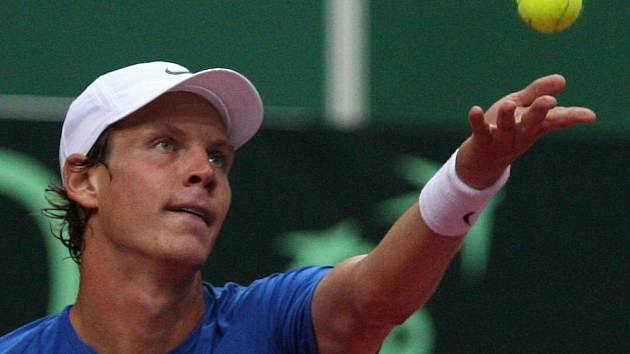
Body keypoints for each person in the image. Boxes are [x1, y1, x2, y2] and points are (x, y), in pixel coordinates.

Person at [0, 61, 595, 354]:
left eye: (219, 157)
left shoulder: (275, 324)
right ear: (85, 180)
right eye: (165, 145)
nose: (203, 171)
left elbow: (372, 297)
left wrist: (471, 178)